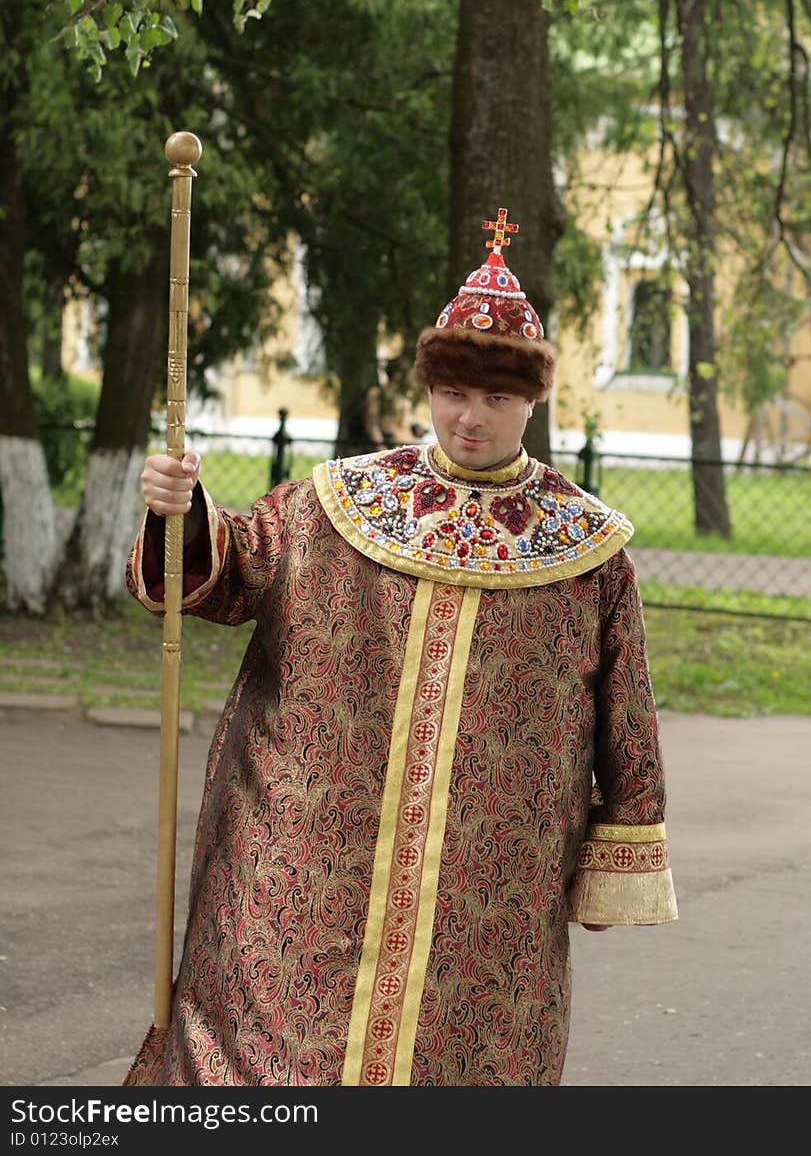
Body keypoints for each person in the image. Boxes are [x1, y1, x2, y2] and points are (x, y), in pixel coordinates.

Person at [125, 207, 677, 1087]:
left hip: (494, 875)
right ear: (429, 389)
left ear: (530, 400)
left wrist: (621, 842)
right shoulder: (334, 504)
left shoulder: (587, 549)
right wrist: (181, 511)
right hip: (312, 853)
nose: (470, 418)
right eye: (454, 394)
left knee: (465, 1060)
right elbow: (224, 575)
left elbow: (627, 709)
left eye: (496, 399)